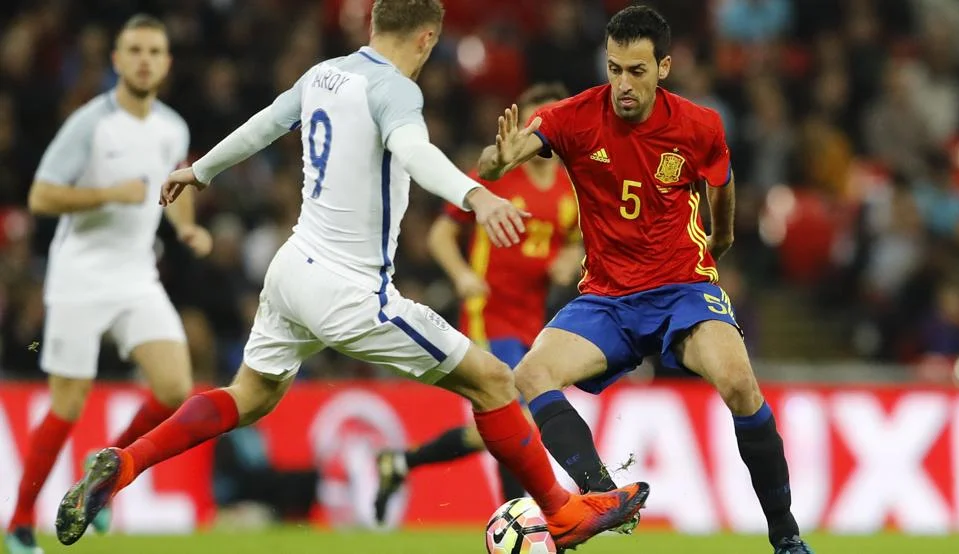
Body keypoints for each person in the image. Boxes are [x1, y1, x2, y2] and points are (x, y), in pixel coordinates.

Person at [54, 1, 648, 550]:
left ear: (373, 26)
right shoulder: (396, 90)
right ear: (427, 38)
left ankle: (125, 462)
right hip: (351, 290)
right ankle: (562, 513)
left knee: (249, 396)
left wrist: (200, 170)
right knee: (494, 381)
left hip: (291, 269)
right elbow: (415, 153)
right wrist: (476, 196)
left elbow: (266, 123)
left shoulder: (324, 74)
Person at [477, 6, 814, 554]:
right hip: (607, 299)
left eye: (636, 71)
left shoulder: (699, 125)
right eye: (614, 69)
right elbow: (502, 157)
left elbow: (722, 180)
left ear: (664, 67)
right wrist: (498, 161)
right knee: (532, 373)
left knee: (739, 384)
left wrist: (722, 238)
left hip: (682, 290)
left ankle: (786, 536)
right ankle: (599, 496)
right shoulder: (573, 117)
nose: (623, 85)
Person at [4, 15, 211, 554]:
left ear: (167, 63)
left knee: (174, 387)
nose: (145, 60)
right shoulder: (90, 124)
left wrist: (186, 227)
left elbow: (172, 184)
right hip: (79, 274)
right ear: (117, 61)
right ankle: (21, 524)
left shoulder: (173, 127)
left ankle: (105, 472)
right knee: (67, 404)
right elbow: (41, 195)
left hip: (136, 274)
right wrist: (107, 194)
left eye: (155, 51)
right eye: (134, 50)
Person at [373, 83, 582, 524]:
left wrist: (570, 258)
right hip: (489, 314)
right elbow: (440, 233)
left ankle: (403, 462)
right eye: (534, 121)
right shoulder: (497, 175)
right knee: (516, 416)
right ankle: (519, 520)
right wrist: (463, 275)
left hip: (535, 320)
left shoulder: (572, 189)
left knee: (499, 424)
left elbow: (578, 240)